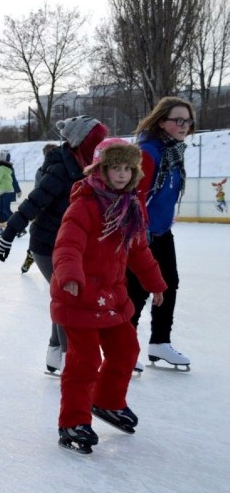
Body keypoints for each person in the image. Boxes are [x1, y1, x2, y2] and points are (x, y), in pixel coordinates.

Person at [52, 138, 166, 453]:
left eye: (128, 168)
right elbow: (67, 244)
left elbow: (139, 251)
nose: (121, 174)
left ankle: (108, 402)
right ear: (101, 168)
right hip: (79, 297)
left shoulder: (130, 207)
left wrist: (155, 283)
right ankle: (73, 421)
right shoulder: (85, 204)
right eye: (115, 167)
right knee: (85, 361)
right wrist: (70, 275)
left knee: (127, 349)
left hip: (112, 298)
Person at [0, 116, 108, 374]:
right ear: (83, 142)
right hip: (47, 245)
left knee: (65, 298)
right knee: (70, 300)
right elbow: (35, 201)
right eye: (97, 139)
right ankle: (72, 359)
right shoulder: (61, 168)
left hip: (73, 245)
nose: (102, 144)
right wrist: (9, 233)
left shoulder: (90, 165)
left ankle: (54, 354)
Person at [127, 96, 195, 372]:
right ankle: (123, 347)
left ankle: (159, 342)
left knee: (169, 283)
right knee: (137, 290)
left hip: (161, 232)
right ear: (161, 121)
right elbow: (137, 197)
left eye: (188, 120)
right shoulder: (149, 152)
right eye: (177, 120)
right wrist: (140, 235)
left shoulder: (173, 152)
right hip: (141, 234)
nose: (184, 125)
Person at [20, 143, 58, 274]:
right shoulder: (43, 171)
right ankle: (31, 257)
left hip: (51, 211)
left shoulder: (47, 170)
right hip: (46, 211)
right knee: (41, 239)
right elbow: (40, 192)